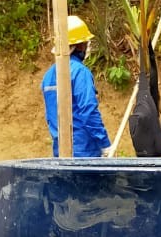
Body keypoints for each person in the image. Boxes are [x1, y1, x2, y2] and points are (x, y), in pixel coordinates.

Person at [41, 15, 111, 157]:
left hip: (60, 149)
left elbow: (50, 115)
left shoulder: (48, 75)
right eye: (85, 43)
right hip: (83, 150)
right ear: (79, 45)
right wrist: (104, 144)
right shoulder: (80, 72)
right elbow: (88, 111)